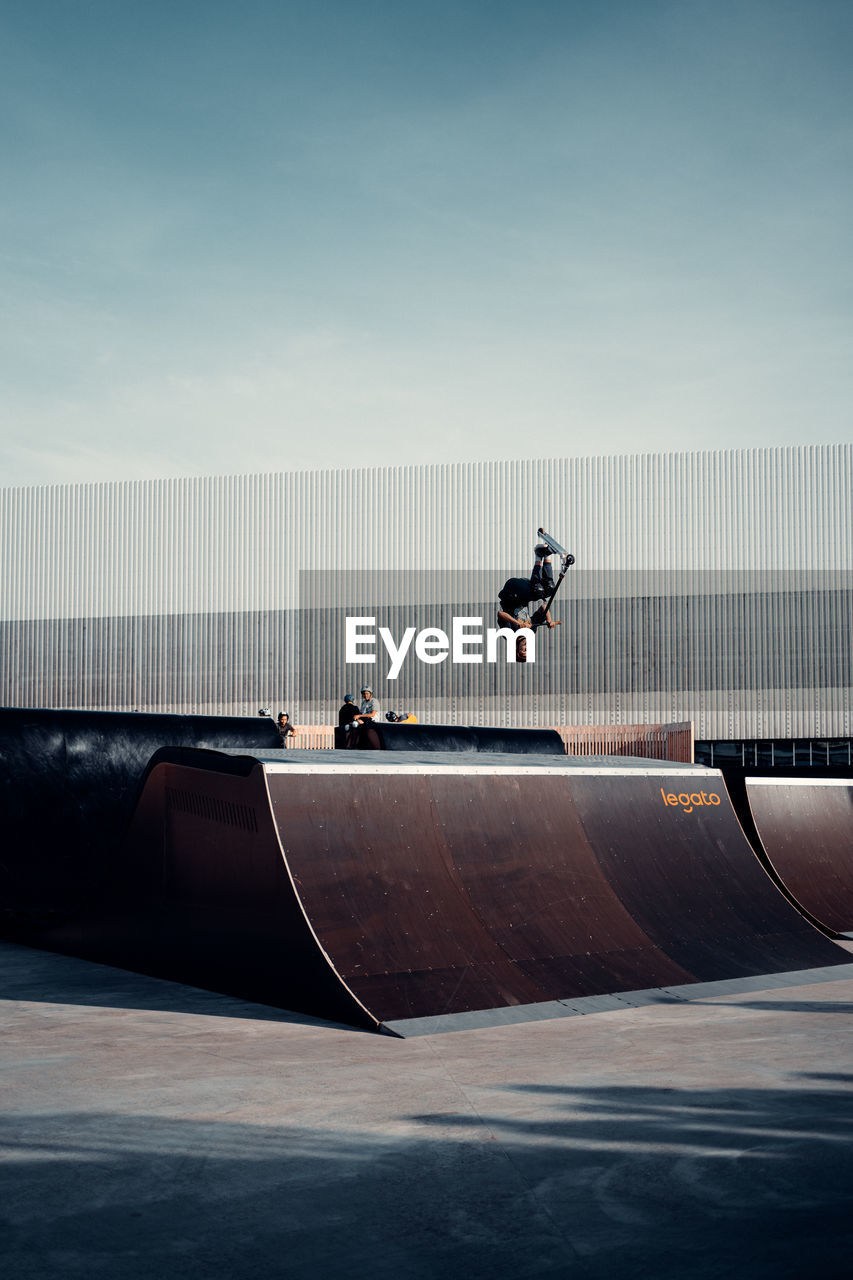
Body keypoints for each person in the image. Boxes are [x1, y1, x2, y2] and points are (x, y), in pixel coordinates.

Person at [497, 543, 562, 662]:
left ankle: (538, 556)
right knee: (549, 590)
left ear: (517, 649)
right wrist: (549, 620)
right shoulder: (531, 632)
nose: (527, 646)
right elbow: (544, 607)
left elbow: (500, 614)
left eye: (524, 649)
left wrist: (518, 623)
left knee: (537, 591)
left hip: (511, 590)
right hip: (525, 592)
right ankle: (546, 556)